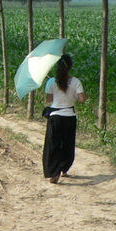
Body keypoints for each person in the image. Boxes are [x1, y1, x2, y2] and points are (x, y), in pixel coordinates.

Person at [42, 54, 88, 184]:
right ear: (71, 67)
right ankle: (64, 170)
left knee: (53, 145)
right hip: (69, 117)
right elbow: (82, 99)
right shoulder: (76, 81)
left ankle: (54, 172)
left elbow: (49, 99)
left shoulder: (51, 81)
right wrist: (74, 97)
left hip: (55, 117)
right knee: (67, 144)